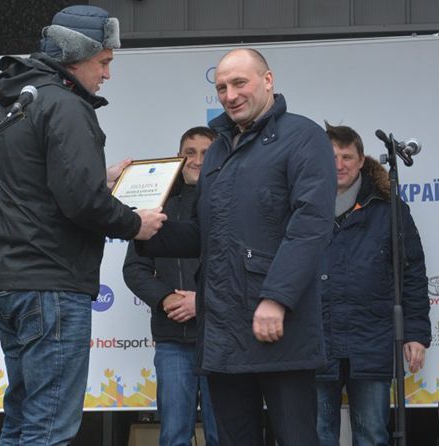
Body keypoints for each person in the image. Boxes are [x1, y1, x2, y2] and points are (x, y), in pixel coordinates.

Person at [0, 5, 166, 445]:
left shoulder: (15, 104)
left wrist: (97, 178)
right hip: (52, 287)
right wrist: (134, 224)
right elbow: (82, 203)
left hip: (9, 285)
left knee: (21, 422)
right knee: (48, 428)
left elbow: (34, 185)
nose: (107, 74)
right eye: (103, 62)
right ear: (75, 56)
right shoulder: (66, 106)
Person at [137, 48, 337, 445]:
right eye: (222, 87)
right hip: (223, 333)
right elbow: (204, 233)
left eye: (239, 83)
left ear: (268, 80)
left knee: (296, 438)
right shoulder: (217, 150)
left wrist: (276, 299)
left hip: (279, 327)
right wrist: (142, 228)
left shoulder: (304, 137)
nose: (230, 95)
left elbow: (311, 226)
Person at [316, 123, 431, 446]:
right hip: (316, 341)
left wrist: (415, 333)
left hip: (371, 340)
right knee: (317, 435)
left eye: (347, 157)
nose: (339, 164)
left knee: (371, 435)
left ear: (361, 161)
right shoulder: (302, 207)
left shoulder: (389, 209)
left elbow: (412, 273)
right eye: (331, 157)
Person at [123, 126, 219, 446]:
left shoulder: (231, 204)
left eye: (206, 153)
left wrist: (200, 301)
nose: (197, 160)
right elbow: (135, 268)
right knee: (174, 435)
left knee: (225, 435)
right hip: (172, 340)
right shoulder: (155, 207)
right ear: (178, 157)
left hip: (220, 338)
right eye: (190, 152)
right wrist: (165, 298)